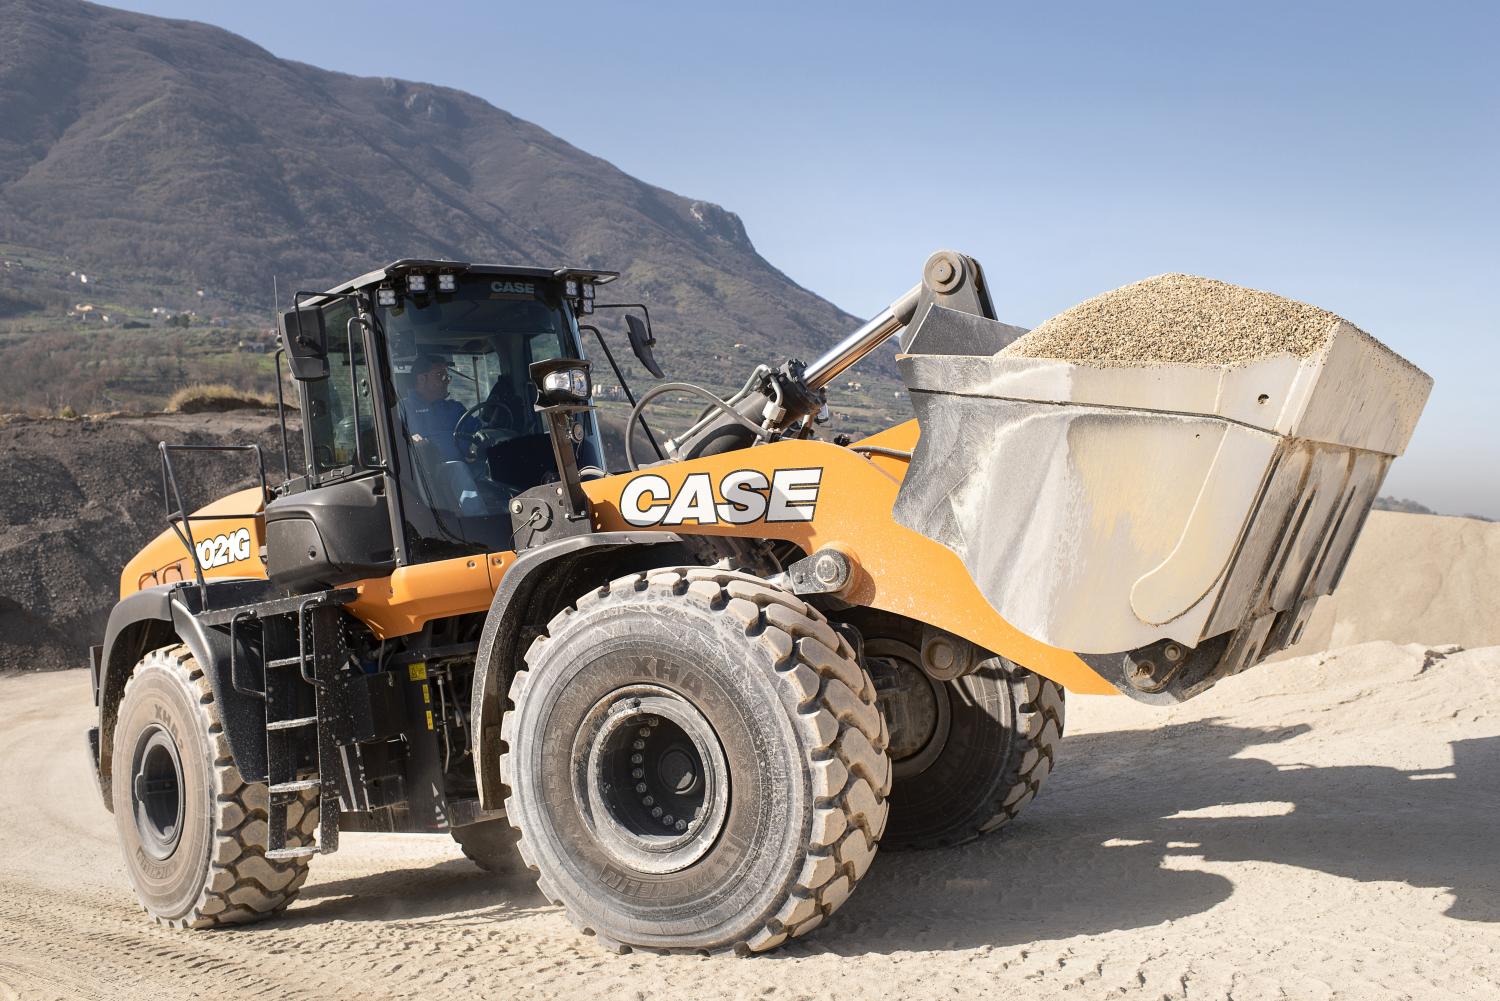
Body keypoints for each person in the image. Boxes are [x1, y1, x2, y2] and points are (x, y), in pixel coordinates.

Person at [401, 354, 469, 461]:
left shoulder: (456, 408)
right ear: (421, 379)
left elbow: (480, 431)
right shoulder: (402, 410)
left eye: (447, 376)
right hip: (424, 474)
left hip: (465, 469)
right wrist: (410, 441)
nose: (446, 380)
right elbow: (393, 444)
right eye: (439, 375)